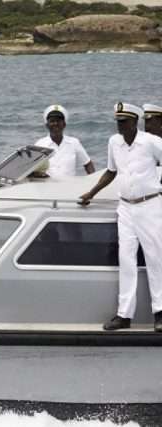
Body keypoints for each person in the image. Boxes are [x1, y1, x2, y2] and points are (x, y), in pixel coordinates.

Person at [79, 102, 162, 332]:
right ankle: (124, 315)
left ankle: (160, 313)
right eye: (118, 122)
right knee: (126, 261)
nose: (119, 126)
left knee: (156, 259)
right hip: (125, 208)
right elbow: (111, 171)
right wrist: (91, 193)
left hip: (150, 205)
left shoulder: (151, 142)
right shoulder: (114, 142)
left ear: (135, 122)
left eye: (124, 122)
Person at [35, 105, 95, 178]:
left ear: (64, 124)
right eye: (52, 121)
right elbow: (31, 170)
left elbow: (88, 164)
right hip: (47, 187)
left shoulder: (74, 143)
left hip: (70, 187)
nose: (55, 124)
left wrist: (93, 182)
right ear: (47, 125)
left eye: (58, 121)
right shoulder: (40, 145)